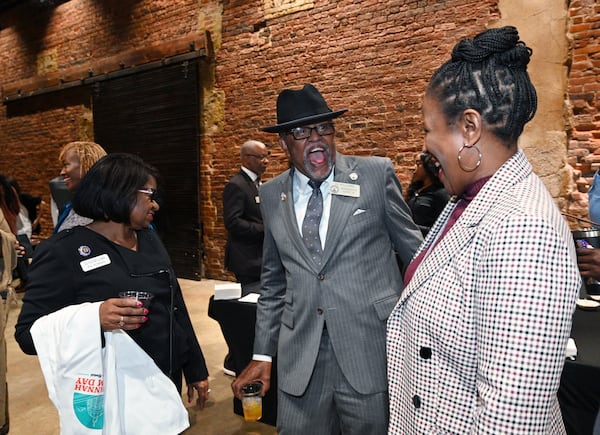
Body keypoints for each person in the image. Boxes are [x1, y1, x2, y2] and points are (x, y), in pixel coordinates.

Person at [386, 26, 581, 433]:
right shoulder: (468, 200)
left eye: (428, 127)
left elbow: (511, 421)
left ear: (470, 127)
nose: (425, 144)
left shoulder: (525, 230)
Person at [231, 83, 423, 434]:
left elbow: (418, 260)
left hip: (368, 350)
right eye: (301, 132)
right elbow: (274, 283)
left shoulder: (375, 176)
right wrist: (262, 356)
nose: (316, 139)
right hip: (300, 358)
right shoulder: (273, 195)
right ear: (283, 143)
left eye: (323, 128)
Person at [15, 153, 210, 417]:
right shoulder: (63, 251)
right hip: (112, 392)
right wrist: (94, 318)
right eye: (149, 195)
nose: (155, 205)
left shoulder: (150, 240)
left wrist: (195, 368)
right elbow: (28, 335)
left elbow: (175, 306)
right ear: (121, 192)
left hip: (164, 380)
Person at [222, 139, 268, 376]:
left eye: (267, 156)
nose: (266, 161)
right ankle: (234, 359)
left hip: (259, 258)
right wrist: (264, 229)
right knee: (247, 313)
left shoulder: (257, 184)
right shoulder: (236, 185)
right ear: (247, 159)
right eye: (261, 157)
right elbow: (233, 222)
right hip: (246, 259)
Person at [53, 141, 107, 233]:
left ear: (87, 165)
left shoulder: (108, 208)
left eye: (66, 165)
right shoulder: (68, 207)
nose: (62, 172)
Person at [405, 151, 450, 236]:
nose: (414, 168)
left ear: (428, 166)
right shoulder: (416, 191)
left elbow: (444, 229)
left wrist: (412, 228)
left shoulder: (440, 194)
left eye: (418, 164)